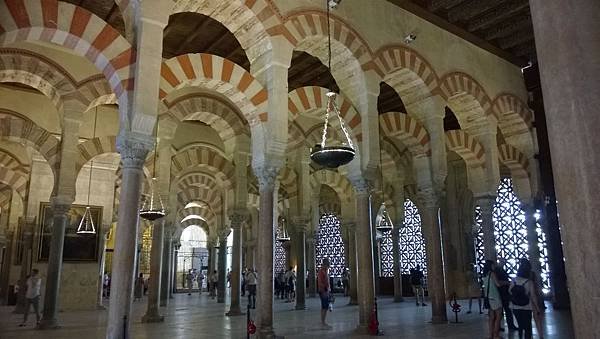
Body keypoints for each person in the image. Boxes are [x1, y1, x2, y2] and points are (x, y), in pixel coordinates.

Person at [510, 258, 539, 339]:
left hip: (515, 306)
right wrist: (537, 307)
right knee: (527, 327)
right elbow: (533, 296)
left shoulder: (514, 280)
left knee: (520, 326)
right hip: (526, 306)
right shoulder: (529, 282)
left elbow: (510, 291)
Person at [483, 260, 503, 339]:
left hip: (488, 297)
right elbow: (498, 284)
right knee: (499, 316)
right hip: (495, 297)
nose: (494, 266)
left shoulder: (485, 275)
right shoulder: (492, 274)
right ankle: (496, 335)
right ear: (490, 266)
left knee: (491, 317)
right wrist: (505, 283)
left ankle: (490, 335)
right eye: (493, 265)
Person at [496, 258, 518, 331]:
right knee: (502, 311)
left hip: (504, 292)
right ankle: (500, 326)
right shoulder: (497, 270)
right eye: (503, 262)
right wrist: (507, 283)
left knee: (507, 310)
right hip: (501, 293)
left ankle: (510, 325)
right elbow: (498, 282)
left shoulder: (501, 270)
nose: (503, 263)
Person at [317, 258, 332, 329]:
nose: (328, 266)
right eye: (328, 265)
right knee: (324, 307)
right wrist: (325, 290)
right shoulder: (321, 272)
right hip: (323, 291)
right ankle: (323, 322)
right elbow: (320, 282)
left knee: (325, 307)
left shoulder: (325, 271)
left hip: (326, 291)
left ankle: (323, 321)